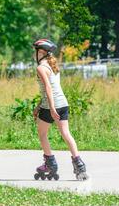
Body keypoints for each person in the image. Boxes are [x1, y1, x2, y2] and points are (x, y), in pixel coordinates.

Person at [32, 39, 88, 181]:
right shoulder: (53, 66)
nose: (34, 54)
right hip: (63, 103)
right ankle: (79, 165)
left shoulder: (41, 68)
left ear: (41, 52)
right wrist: (39, 105)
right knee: (66, 134)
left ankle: (50, 164)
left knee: (42, 133)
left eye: (36, 51)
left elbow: (49, 88)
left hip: (51, 105)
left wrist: (50, 107)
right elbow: (52, 89)